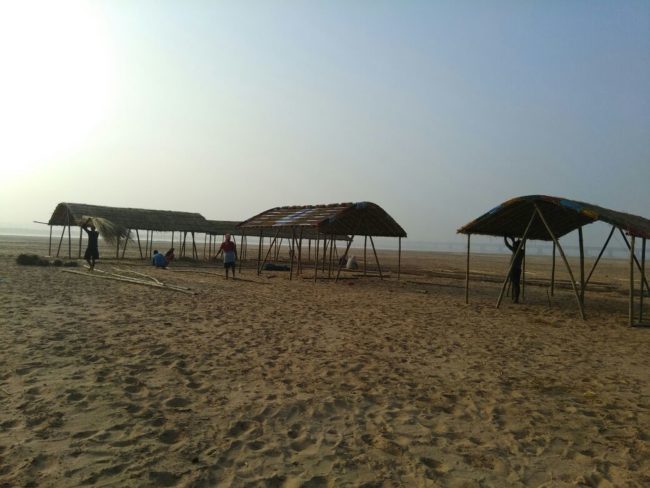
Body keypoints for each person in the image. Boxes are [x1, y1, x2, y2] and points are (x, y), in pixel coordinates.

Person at [504, 236, 525, 303]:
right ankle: (515, 297)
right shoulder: (522, 251)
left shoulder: (515, 250)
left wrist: (505, 237)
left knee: (515, 283)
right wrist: (513, 240)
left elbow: (507, 244)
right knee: (516, 284)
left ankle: (516, 298)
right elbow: (516, 246)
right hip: (518, 269)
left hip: (513, 269)